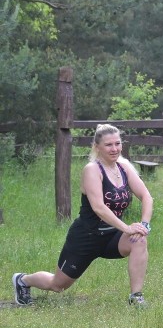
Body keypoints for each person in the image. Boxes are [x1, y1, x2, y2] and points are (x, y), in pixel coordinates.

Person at [12, 124, 153, 306]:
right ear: (97, 147)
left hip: (112, 236)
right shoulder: (92, 170)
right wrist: (127, 227)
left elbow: (146, 196)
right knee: (58, 285)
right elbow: (99, 207)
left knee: (139, 239)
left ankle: (136, 296)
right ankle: (23, 280)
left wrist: (144, 224)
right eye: (109, 145)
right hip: (86, 236)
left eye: (117, 144)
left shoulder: (124, 167)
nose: (114, 149)